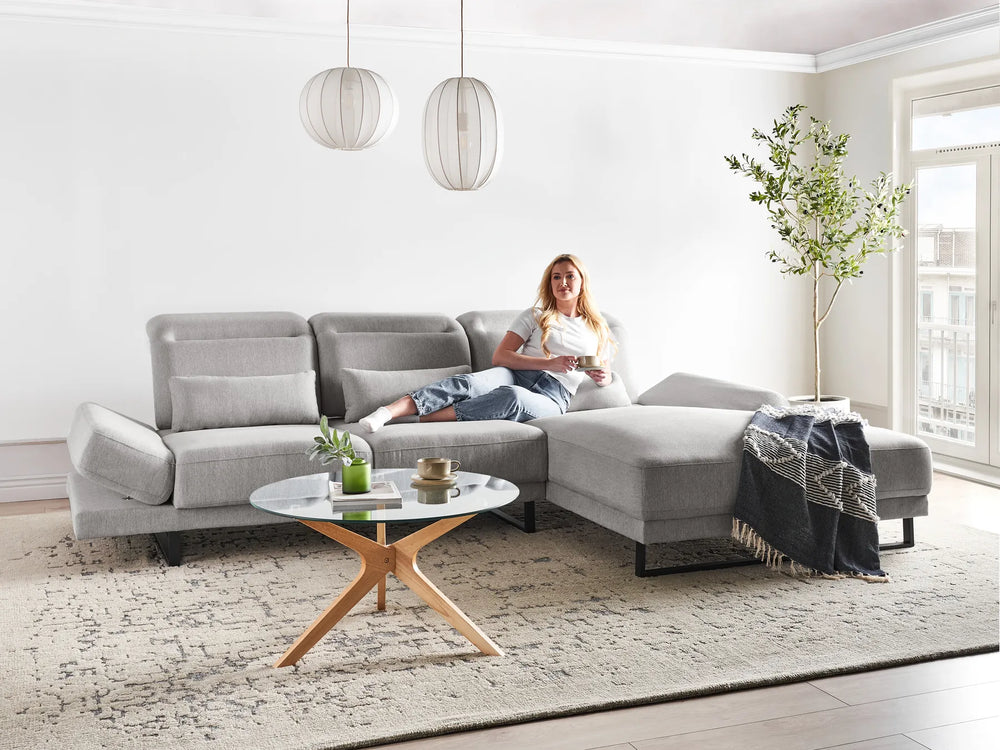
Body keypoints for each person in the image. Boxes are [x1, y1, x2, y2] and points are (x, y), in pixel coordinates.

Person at [358, 253, 617, 433]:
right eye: (556, 277)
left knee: (512, 397)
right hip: (516, 374)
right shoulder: (535, 315)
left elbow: (603, 375)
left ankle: (419, 419)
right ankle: (387, 412)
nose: (563, 283)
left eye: (570, 276)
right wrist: (549, 363)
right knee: (468, 383)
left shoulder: (598, 327)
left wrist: (602, 377)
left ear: (582, 282)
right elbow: (500, 357)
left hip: (554, 396)